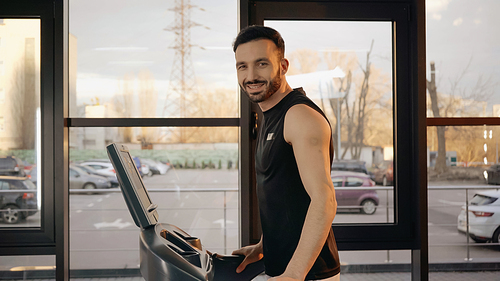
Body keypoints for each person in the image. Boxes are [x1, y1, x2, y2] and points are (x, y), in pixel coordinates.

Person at [231, 25, 341, 281]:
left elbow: (325, 201)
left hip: (308, 273)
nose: (251, 75)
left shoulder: (299, 116)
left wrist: (294, 273)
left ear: (283, 65)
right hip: (287, 269)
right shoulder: (272, 115)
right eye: (242, 66)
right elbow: (285, 192)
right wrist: (263, 244)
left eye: (261, 64)